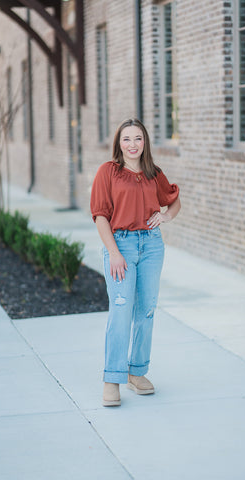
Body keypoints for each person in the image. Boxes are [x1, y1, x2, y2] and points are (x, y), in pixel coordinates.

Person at [90, 118, 181, 406]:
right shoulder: (109, 172)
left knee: (146, 311)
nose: (132, 145)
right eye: (127, 139)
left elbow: (174, 200)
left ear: (145, 143)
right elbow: (100, 215)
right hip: (122, 246)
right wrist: (114, 252)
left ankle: (137, 372)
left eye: (138, 138)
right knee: (120, 311)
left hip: (152, 246)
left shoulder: (154, 173)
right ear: (119, 142)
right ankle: (112, 379)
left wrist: (165, 216)